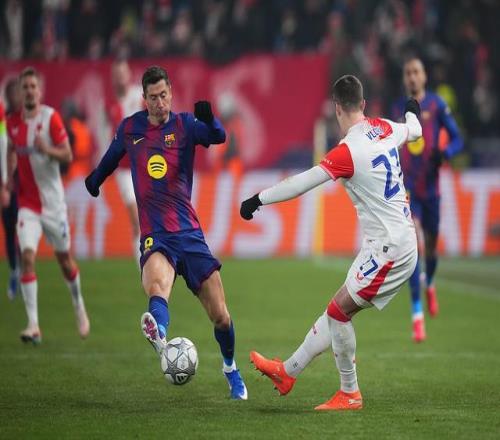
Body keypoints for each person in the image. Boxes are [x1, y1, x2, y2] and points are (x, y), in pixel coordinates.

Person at [240, 75, 422, 410]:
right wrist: (412, 109)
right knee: (336, 310)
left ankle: (350, 393)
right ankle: (287, 371)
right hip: (389, 241)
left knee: (339, 313)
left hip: (391, 248)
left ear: (336, 108)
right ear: (363, 104)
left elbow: (300, 183)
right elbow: (415, 130)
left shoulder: (347, 152)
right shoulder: (385, 127)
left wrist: (258, 199)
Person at [85, 66, 248, 400]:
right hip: (156, 235)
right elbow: (111, 158)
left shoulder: (185, 125)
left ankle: (231, 369)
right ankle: (159, 331)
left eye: (163, 95)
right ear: (143, 99)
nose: (159, 103)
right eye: (153, 97)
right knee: (158, 285)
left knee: (221, 316)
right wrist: (94, 180)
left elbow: (218, 137)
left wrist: (211, 120)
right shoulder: (130, 128)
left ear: (171, 93)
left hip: (189, 233)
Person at [2, 67, 90, 344]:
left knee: (65, 261)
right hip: (28, 204)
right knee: (27, 257)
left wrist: (47, 150)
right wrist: (8, 179)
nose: (29, 91)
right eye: (25, 87)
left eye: (33, 87)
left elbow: (68, 154)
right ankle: (33, 325)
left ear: (39, 91)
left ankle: (78, 303)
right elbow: (10, 148)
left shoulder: (50, 118)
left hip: (53, 205)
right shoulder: (12, 121)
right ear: (20, 92)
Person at [392, 57, 463, 342]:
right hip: (408, 189)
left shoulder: (436, 104)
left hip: (431, 189)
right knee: (415, 246)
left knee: (431, 248)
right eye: (408, 72)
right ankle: (417, 315)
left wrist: (446, 154)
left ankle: (430, 283)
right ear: (404, 78)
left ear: (424, 76)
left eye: (416, 72)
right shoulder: (398, 108)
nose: (412, 77)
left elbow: (458, 139)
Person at [105, 59, 144, 265]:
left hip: (146, 166)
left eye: (123, 73)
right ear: (112, 78)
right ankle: (143, 269)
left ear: (129, 75)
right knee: (135, 219)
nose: (120, 77)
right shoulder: (109, 105)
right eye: (117, 74)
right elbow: (106, 137)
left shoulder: (140, 96)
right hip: (125, 170)